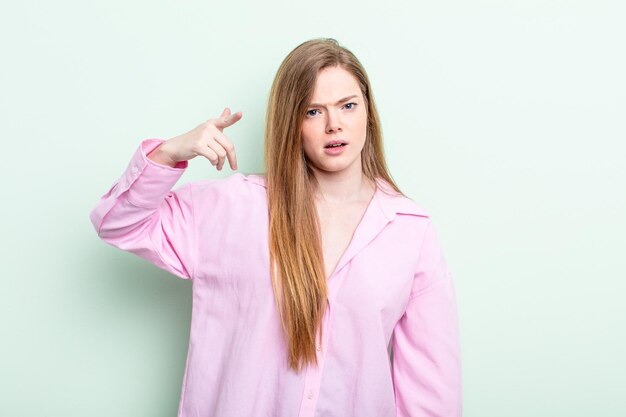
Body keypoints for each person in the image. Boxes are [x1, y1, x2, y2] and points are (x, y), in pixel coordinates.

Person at [89, 38, 462, 417]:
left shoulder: (410, 231)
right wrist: (168, 153)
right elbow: (117, 223)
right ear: (291, 122)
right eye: (313, 111)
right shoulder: (230, 209)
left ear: (368, 111)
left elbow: (431, 396)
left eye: (348, 106)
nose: (334, 124)